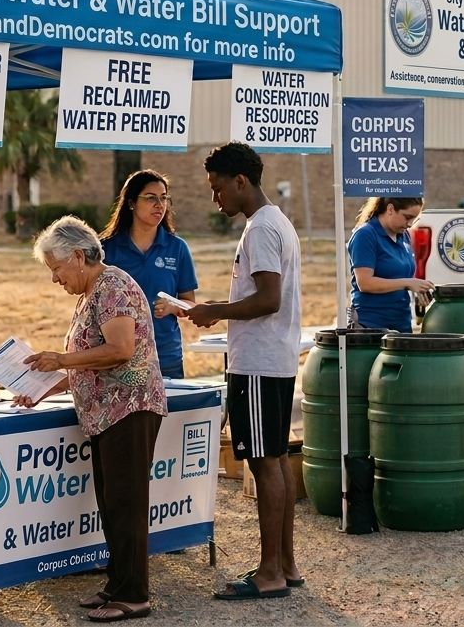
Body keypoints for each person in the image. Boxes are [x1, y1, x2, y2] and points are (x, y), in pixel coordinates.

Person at [17, 215, 168, 622]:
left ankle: (134, 595)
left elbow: (120, 349)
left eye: (57, 269)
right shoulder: (91, 293)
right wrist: (42, 389)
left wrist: (61, 359)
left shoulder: (113, 286)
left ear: (78, 257)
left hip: (129, 408)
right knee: (112, 502)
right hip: (107, 414)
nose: (55, 279)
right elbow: (89, 362)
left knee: (127, 503)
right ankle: (117, 584)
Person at [186, 142, 304, 600]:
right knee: (275, 459)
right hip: (274, 360)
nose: (215, 199)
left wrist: (215, 310)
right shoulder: (277, 222)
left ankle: (269, 572)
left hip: (258, 363)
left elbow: (268, 299)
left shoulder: (261, 229)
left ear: (240, 181)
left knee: (263, 462)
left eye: (218, 189)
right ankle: (285, 565)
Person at [101, 169, 199, 380]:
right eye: (151, 198)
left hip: (165, 358)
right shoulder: (106, 250)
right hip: (118, 359)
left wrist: (173, 306)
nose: (159, 204)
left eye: (164, 198)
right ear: (131, 203)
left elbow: (190, 303)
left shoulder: (177, 248)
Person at [348, 196, 432, 331]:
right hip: (371, 324)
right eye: (407, 217)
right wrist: (407, 283)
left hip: (401, 322)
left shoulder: (404, 235)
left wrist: (418, 290)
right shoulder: (365, 235)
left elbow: (401, 276)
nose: (410, 224)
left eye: (415, 219)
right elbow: (365, 283)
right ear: (390, 209)